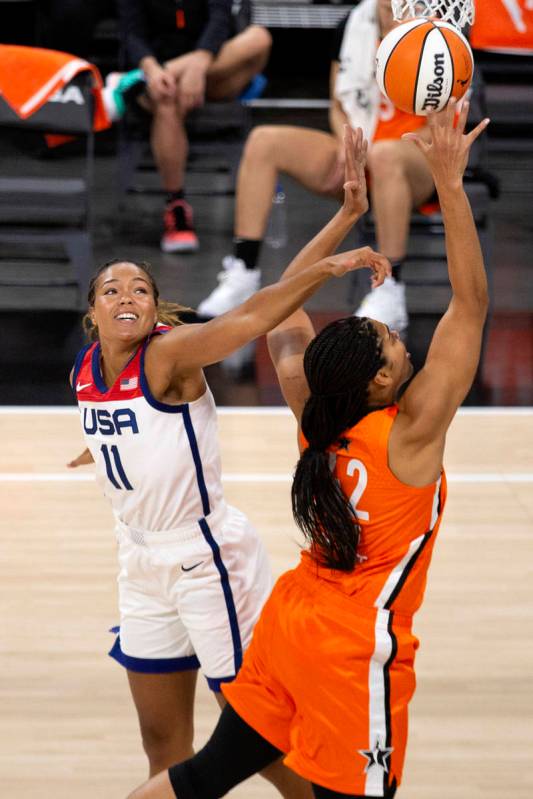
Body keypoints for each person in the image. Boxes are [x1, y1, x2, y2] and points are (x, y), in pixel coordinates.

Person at [125, 100, 490, 799]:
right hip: (351, 650)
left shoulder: (315, 418)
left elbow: (280, 313)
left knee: (201, 776)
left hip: (288, 625)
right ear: (380, 380)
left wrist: (347, 215)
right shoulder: (409, 435)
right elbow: (468, 305)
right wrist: (447, 181)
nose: (402, 342)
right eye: (391, 344)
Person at [67, 163, 390, 795]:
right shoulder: (86, 369)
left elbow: (248, 319)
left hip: (205, 558)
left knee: (255, 737)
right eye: (112, 290)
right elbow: (119, 426)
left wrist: (327, 267)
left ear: (156, 309)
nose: (126, 296)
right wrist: (99, 450)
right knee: (161, 738)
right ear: (93, 313)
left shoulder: (168, 352)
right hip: (139, 559)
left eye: (139, 288)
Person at [198, 0, 436, 333]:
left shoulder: (436, 34)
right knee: (264, 140)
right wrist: (347, 141)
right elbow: (338, 105)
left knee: (385, 156)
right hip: (363, 145)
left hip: (418, 159)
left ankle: (390, 289)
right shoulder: (353, 27)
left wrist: (374, 150)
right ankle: (244, 273)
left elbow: (439, 124)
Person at [117, 0, 272, 253]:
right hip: (155, 78)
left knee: (259, 37)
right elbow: (131, 33)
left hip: (210, 67)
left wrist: (198, 64)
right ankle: (176, 206)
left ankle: (172, 72)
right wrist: (153, 70)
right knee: (167, 99)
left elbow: (219, 20)